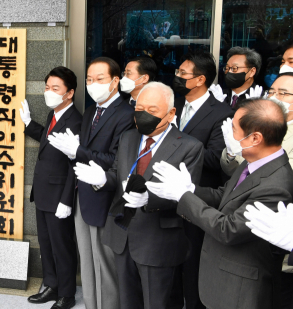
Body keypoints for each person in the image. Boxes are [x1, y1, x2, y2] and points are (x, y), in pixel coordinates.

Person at [147, 98, 293, 309]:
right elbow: (223, 196)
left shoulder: (276, 184)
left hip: (240, 289)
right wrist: (190, 189)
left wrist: (182, 196)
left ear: (255, 138)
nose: (230, 136)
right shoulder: (254, 162)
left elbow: (229, 228)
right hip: (221, 279)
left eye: (234, 129)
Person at [74, 82, 204, 308]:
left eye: (152, 111)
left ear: (171, 113)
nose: (144, 115)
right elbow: (117, 173)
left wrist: (150, 199)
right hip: (122, 234)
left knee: (157, 302)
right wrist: (104, 179)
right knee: (127, 301)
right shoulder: (128, 137)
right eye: (139, 109)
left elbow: (185, 196)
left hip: (158, 241)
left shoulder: (190, 147)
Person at [47, 57, 135, 309]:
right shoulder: (90, 111)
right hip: (82, 197)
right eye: (89, 79)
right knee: (87, 263)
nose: (92, 84)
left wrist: (79, 151)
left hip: (106, 200)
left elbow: (116, 160)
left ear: (115, 81)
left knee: (105, 265)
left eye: (100, 79)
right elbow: (79, 155)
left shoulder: (127, 115)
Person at [171, 50, 234, 309]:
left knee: (192, 263)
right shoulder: (174, 102)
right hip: (168, 197)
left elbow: (213, 158)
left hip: (198, 197)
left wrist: (176, 140)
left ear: (200, 80)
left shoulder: (221, 112)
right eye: (178, 72)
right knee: (170, 263)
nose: (177, 77)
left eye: (183, 74)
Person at [19, 66, 82, 309]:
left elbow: (74, 164)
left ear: (69, 93)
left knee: (62, 247)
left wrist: (67, 200)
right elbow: (49, 139)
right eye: (47, 87)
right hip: (44, 193)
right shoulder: (53, 114)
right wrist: (28, 123)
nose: (49, 92)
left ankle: (66, 294)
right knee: (46, 244)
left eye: (55, 88)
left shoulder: (75, 121)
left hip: (59, 197)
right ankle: (50, 285)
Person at [220, 72, 293, 176]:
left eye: (283, 93)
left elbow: (283, 176)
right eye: (271, 92)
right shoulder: (256, 122)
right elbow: (230, 171)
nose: (274, 97)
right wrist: (231, 154)